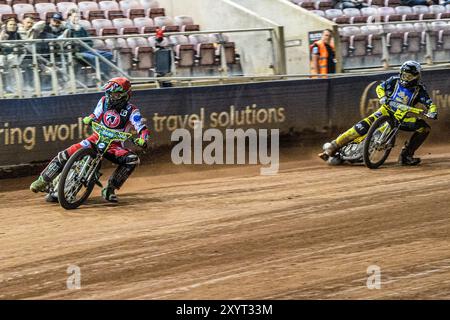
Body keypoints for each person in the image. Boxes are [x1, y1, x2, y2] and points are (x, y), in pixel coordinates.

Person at [30, 77, 150, 202]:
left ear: (125, 95)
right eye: (109, 94)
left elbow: (141, 128)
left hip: (114, 146)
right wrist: (89, 118)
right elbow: (95, 114)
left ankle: (110, 188)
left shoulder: (132, 111)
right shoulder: (103, 101)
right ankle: (43, 180)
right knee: (67, 153)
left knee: (132, 159)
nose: (111, 97)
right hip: (95, 139)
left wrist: (143, 139)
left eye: (115, 94)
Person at [319, 61, 438, 166]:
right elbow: (380, 87)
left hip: (401, 119)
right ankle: (332, 148)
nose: (405, 78)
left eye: (409, 76)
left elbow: (430, 104)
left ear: (416, 76)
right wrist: (382, 97)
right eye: (404, 75)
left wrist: (432, 112)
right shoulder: (394, 80)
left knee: (424, 128)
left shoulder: (420, 90)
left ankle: (406, 156)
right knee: (359, 127)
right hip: (383, 112)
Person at [62, 9, 114, 78]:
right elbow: (66, 44)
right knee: (94, 58)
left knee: (109, 55)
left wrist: (84, 44)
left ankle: (103, 75)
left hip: (87, 50)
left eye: (78, 17)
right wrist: (78, 44)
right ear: (69, 17)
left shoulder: (81, 28)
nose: (76, 18)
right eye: (74, 16)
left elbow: (90, 42)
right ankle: (104, 76)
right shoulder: (67, 28)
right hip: (76, 53)